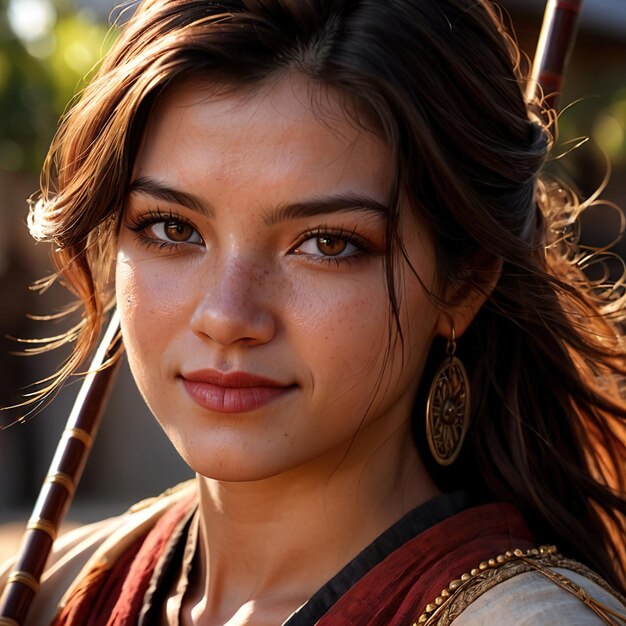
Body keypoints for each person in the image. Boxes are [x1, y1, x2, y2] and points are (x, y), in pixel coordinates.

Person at [2, 0, 626, 624]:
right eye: (171, 227)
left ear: (463, 286)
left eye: (327, 243)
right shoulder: (57, 595)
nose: (227, 314)